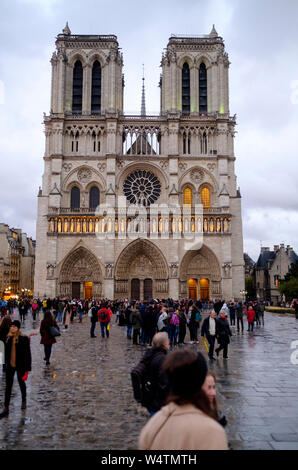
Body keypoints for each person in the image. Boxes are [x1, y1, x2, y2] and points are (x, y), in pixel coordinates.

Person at [138, 349, 228, 450]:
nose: (213, 393)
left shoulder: (153, 425)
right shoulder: (211, 431)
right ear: (199, 383)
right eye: (209, 387)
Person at [0, 320, 32, 418]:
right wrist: (4, 364)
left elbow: (28, 355)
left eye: (14, 326)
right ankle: (6, 407)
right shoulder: (7, 338)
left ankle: (24, 400)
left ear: (18, 328)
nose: (12, 328)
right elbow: (4, 352)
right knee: (8, 386)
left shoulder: (23, 339)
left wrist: (27, 369)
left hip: (20, 365)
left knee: (21, 383)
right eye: (11, 326)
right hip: (10, 366)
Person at [139, 332, 170, 417]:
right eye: (168, 341)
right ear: (164, 344)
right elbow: (164, 382)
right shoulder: (162, 359)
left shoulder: (149, 354)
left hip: (150, 398)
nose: (169, 343)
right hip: (158, 402)